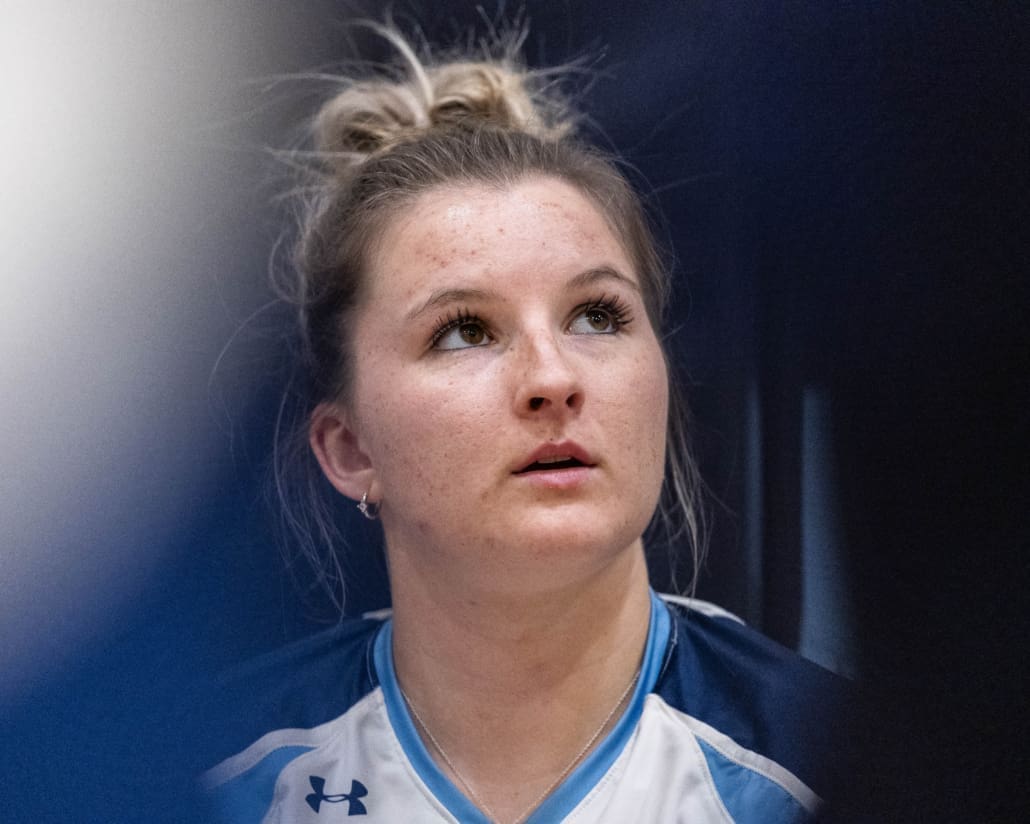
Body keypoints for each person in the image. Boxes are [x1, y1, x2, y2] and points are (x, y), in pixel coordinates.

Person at [202, 25, 847, 824]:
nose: (552, 378)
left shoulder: (828, 770)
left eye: (598, 315)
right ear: (349, 448)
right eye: (465, 330)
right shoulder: (207, 779)